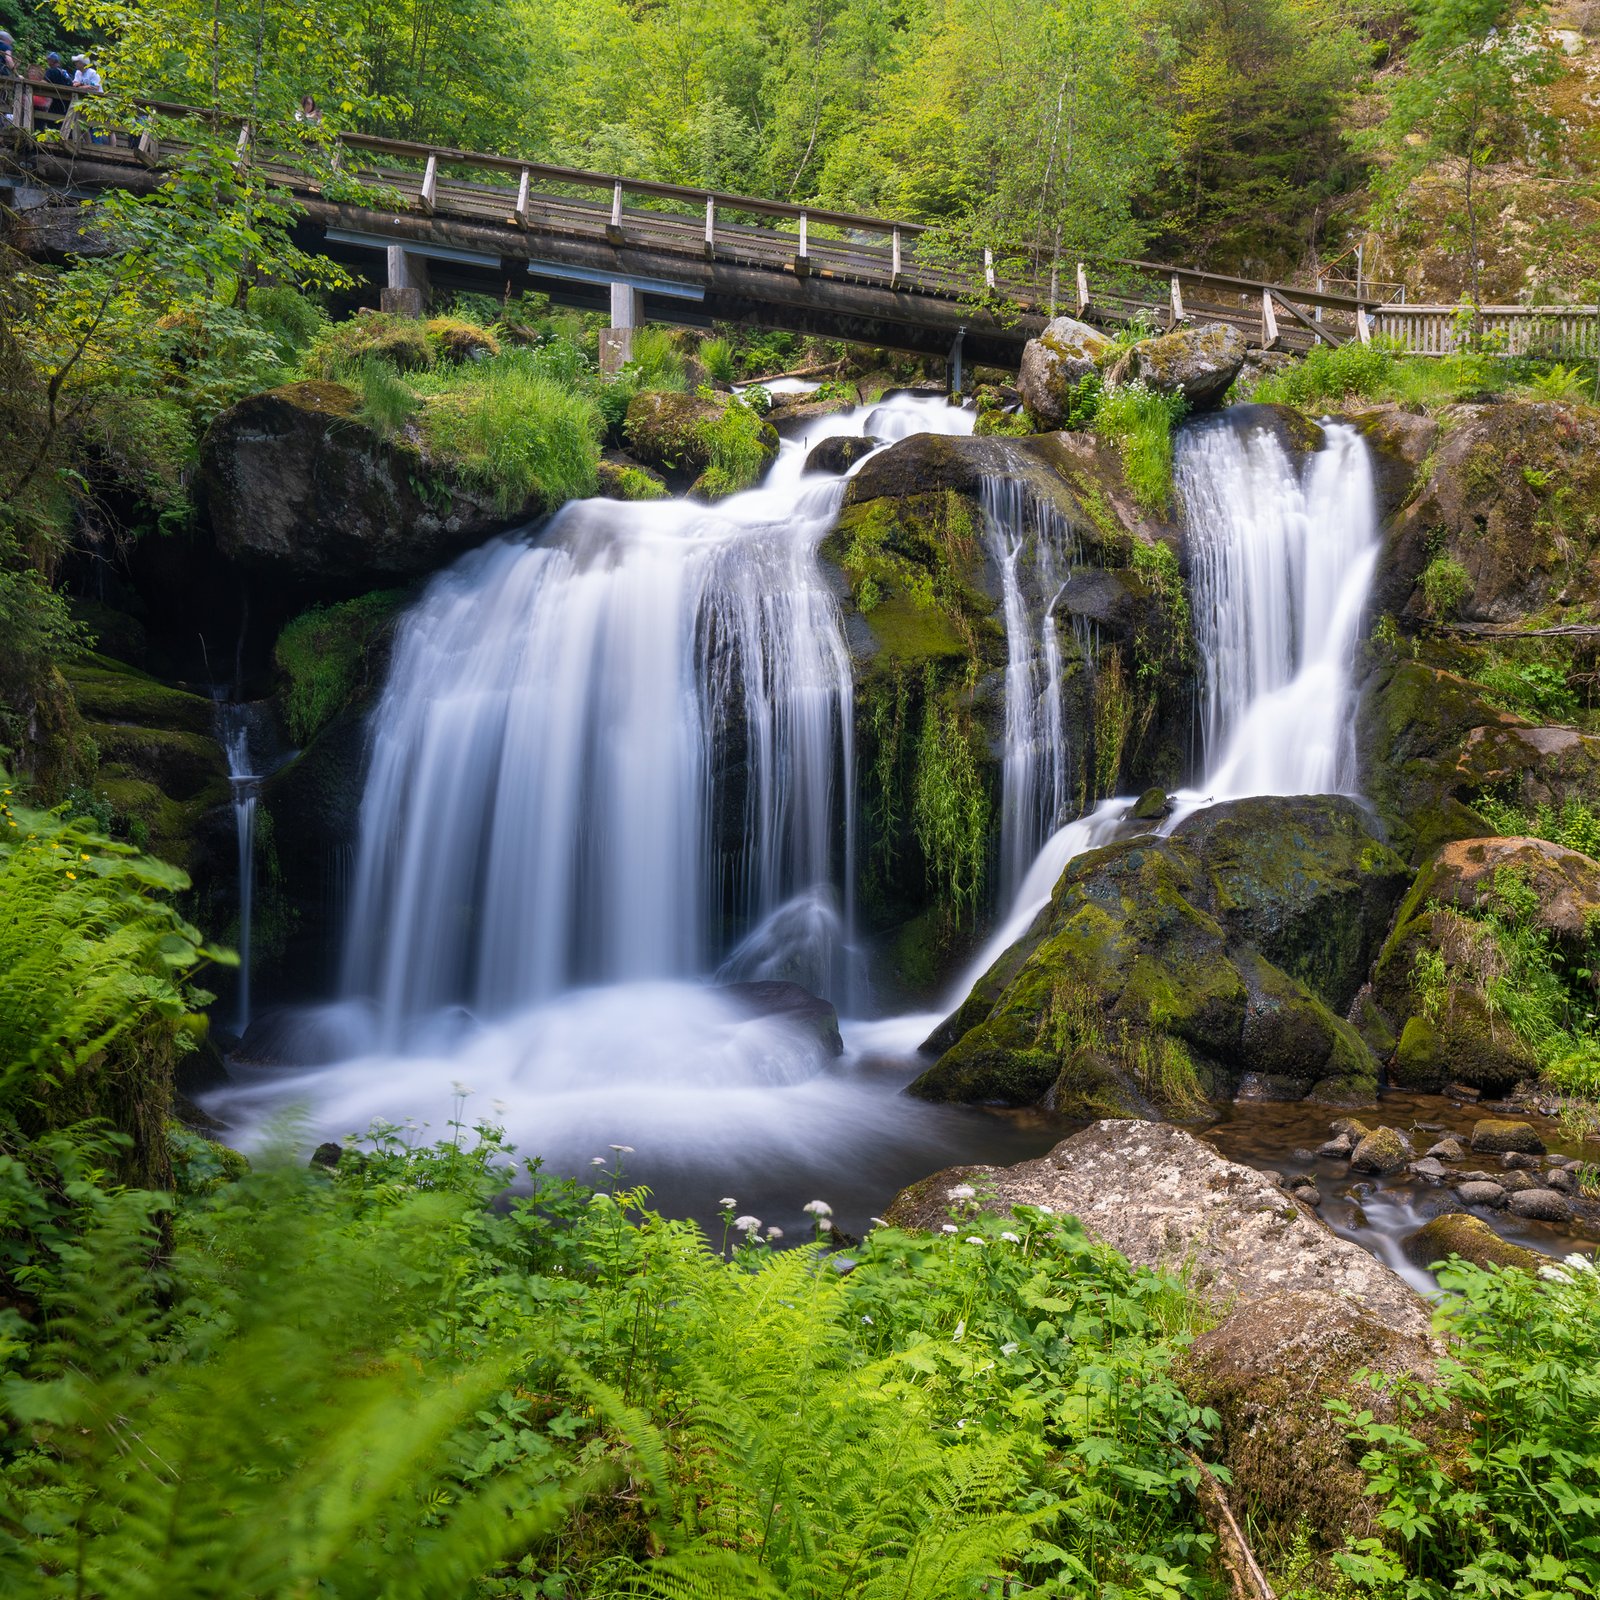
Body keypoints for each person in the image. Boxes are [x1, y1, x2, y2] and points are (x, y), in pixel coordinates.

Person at [44, 51, 70, 119]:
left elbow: (44, 82)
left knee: (52, 120)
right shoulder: (64, 72)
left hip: (56, 100)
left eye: (48, 59)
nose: (47, 61)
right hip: (66, 101)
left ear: (52, 61)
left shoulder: (51, 71)